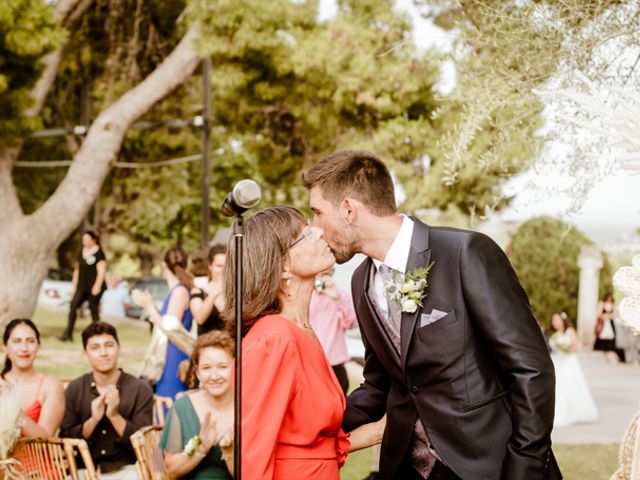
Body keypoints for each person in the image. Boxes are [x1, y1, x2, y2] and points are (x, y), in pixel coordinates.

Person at [302, 150, 561, 480]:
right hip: (409, 469)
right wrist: (311, 424)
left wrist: (524, 465)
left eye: (317, 213)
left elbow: (531, 369)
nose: (315, 228)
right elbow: (378, 384)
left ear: (349, 209)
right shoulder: (361, 282)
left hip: (488, 465)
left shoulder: (464, 253)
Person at [222, 206, 384, 479]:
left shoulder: (302, 330)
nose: (319, 232)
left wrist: (384, 429)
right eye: (306, 234)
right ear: (283, 266)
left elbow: (313, 445)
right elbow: (253, 457)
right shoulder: (273, 340)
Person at [60, 321, 153, 479]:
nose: (103, 353)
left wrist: (115, 416)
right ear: (85, 354)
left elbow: (144, 443)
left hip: (127, 470)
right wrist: (93, 420)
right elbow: (65, 439)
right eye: (95, 348)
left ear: (119, 348)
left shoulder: (139, 389)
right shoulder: (75, 388)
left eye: (109, 345)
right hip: (84, 471)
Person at [159, 331, 234, 479]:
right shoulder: (181, 408)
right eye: (206, 368)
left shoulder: (249, 409)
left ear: (235, 368)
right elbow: (168, 471)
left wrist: (230, 453)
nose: (214, 376)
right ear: (198, 373)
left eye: (222, 366)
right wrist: (201, 448)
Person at [134, 246, 194, 399]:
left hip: (174, 353)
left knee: (170, 398)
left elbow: (170, 327)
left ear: (163, 265)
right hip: (167, 351)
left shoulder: (180, 292)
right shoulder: (175, 291)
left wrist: (147, 305)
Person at [1, 319, 64, 438]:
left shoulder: (50, 385)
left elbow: (45, 439)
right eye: (17, 341)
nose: (24, 348)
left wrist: (11, 406)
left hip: (37, 455)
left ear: (38, 345)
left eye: (30, 341)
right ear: (5, 347)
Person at [309, 267, 358, 395]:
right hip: (311, 366)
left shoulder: (340, 296)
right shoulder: (304, 298)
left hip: (335, 367)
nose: (321, 277)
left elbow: (352, 323)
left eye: (325, 274)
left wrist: (337, 299)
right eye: (318, 273)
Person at [548, 312, 597, 427]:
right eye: (553, 320)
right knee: (557, 387)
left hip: (568, 362)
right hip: (557, 361)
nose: (554, 322)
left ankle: (571, 411)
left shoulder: (570, 332)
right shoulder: (553, 335)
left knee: (568, 385)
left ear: (562, 320)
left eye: (556, 320)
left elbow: (575, 348)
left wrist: (565, 348)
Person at [59, 229, 107, 342]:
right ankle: (68, 334)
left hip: (93, 286)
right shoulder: (82, 251)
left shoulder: (99, 253)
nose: (84, 241)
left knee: (93, 310)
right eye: (83, 239)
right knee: (73, 307)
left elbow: (101, 271)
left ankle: (98, 334)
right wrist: (74, 285)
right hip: (81, 286)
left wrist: (97, 286)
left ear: (94, 240)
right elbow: (77, 269)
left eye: (87, 239)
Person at [190, 244, 227, 336]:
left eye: (227, 266)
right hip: (207, 347)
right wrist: (215, 293)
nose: (223, 270)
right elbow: (200, 318)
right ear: (210, 266)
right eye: (219, 266)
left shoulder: (236, 293)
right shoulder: (198, 292)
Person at [594, 292, 621, 363]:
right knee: (602, 339)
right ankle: (603, 355)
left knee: (610, 340)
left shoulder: (614, 305)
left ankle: (611, 356)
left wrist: (607, 316)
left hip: (610, 325)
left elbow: (615, 314)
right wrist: (606, 316)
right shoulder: (601, 304)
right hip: (603, 324)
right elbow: (599, 314)